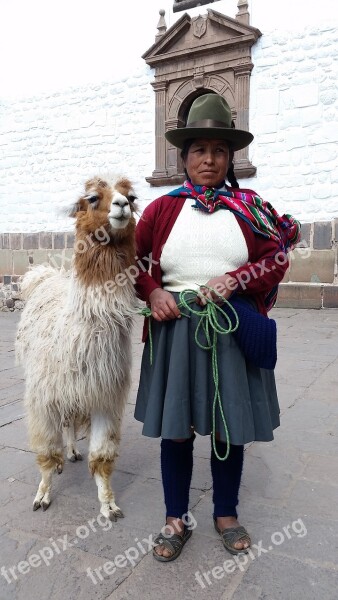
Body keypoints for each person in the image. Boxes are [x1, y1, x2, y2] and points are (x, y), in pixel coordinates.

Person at [134, 93, 300, 562]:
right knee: (177, 428)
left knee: (230, 426)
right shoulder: (161, 211)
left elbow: (277, 257)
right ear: (183, 158)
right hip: (175, 332)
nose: (208, 159)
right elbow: (135, 264)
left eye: (218, 151)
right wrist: (153, 292)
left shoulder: (250, 208)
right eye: (198, 150)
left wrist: (236, 279)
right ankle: (175, 517)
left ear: (230, 158)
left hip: (230, 331)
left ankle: (225, 512)